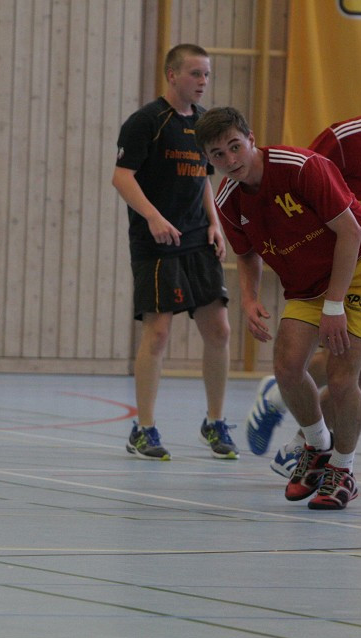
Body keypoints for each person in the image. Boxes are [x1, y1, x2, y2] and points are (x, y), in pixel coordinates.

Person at [195, 107, 361, 510]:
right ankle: (318, 445)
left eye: (235, 147)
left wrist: (335, 305)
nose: (231, 160)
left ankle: (343, 469)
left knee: (345, 378)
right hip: (310, 281)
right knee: (288, 366)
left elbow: (351, 231)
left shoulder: (302, 167)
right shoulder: (227, 199)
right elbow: (247, 253)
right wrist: (251, 298)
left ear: (251, 138)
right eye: (218, 155)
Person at [246, 51, 361, 478]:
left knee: (359, 376)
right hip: (340, 269)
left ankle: (279, 402)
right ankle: (308, 446)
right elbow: (302, 185)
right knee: (348, 374)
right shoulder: (344, 139)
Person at [112, 44, 237, 461]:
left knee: (219, 329)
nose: (203, 82)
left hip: (198, 239)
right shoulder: (146, 122)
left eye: (207, 74)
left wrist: (215, 222)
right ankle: (143, 428)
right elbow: (122, 177)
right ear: (172, 75)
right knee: (159, 332)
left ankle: (215, 421)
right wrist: (152, 217)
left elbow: (203, 177)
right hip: (158, 243)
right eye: (195, 74)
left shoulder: (205, 124)